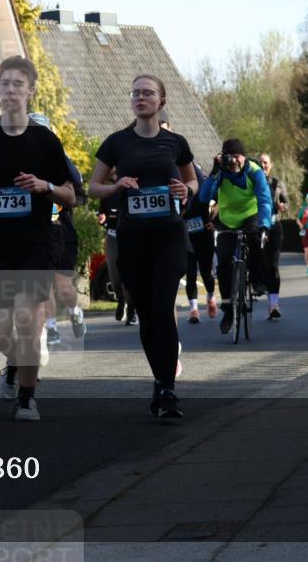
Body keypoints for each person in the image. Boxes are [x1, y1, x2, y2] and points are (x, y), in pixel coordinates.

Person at [0, 56, 74, 421]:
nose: (10, 90)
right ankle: (12, 364)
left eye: (17, 84)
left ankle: (27, 397)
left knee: (26, 317)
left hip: (35, 241)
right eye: (4, 83)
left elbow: (70, 194)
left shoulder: (44, 140)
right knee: (4, 329)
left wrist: (44, 187)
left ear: (30, 91)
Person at [88, 74, 198, 419]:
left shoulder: (176, 142)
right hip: (133, 239)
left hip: (168, 235)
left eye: (147, 93)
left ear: (161, 101)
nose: (140, 97)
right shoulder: (117, 142)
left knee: (163, 309)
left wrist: (187, 191)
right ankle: (160, 379)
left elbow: (192, 178)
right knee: (148, 316)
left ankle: (167, 389)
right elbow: (93, 187)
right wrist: (116, 185)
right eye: (135, 92)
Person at [198, 139, 273, 335]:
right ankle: (228, 309)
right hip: (227, 219)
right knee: (223, 263)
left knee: (256, 241)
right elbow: (204, 198)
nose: (233, 161)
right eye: (229, 156)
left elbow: (265, 199)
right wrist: (214, 172)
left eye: (236, 156)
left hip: (251, 215)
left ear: (243, 156)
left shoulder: (254, 171)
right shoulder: (221, 172)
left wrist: (265, 225)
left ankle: (257, 280)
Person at [33, 112, 87, 346]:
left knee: (63, 285)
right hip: (37, 230)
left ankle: (75, 311)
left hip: (62, 228)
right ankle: (51, 326)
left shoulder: (61, 160)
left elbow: (77, 185)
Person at [97, 169, 136, 325]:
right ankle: (121, 301)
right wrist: (102, 217)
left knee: (130, 276)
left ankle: (132, 310)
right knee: (115, 277)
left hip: (131, 236)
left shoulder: (133, 188)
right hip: (113, 236)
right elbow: (102, 213)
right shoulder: (107, 192)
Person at [182, 163, 217, 323]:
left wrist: (214, 220)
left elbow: (218, 201)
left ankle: (210, 297)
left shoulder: (204, 188)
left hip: (204, 233)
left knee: (206, 273)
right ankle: (194, 310)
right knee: (190, 274)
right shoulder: (180, 189)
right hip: (187, 236)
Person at [256, 153, 288, 320]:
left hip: (274, 226)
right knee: (261, 263)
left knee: (273, 264)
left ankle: (274, 304)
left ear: (271, 165)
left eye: (266, 163)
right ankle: (259, 286)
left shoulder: (277, 183)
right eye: (260, 162)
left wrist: (282, 206)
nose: (263, 165)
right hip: (256, 226)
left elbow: (286, 202)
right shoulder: (252, 181)